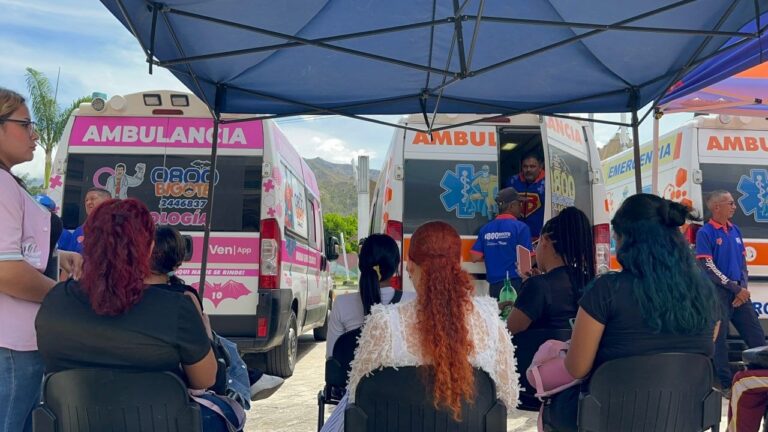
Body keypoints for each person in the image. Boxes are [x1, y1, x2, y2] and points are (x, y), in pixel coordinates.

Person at [35, 199, 238, 431]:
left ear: (87, 243)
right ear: (150, 249)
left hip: (75, 423)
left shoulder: (55, 300)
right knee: (229, 413)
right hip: (162, 423)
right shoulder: (176, 307)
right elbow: (206, 380)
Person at [321, 221, 519, 432]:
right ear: (459, 263)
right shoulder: (490, 320)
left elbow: (357, 398)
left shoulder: (385, 324)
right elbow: (508, 399)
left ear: (409, 266)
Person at [543, 194, 719, 432]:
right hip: (682, 422)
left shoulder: (605, 291)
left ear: (627, 239)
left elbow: (577, 368)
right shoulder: (706, 294)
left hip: (610, 421)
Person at [0, 87, 81, 432]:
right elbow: (7, 272)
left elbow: (16, 251)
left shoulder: (9, 183)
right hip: (11, 346)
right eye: (26, 125)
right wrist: (65, 298)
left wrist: (56, 256)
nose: (35, 135)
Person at [147, 225, 284, 403]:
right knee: (216, 340)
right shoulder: (184, 298)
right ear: (178, 260)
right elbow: (205, 379)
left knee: (220, 341)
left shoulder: (124, 297)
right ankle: (242, 383)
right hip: (186, 390)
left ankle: (247, 377)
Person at [696, 190, 765, 394]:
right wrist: (734, 288)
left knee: (756, 337)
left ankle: (760, 378)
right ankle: (725, 384)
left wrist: (742, 288)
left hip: (739, 294)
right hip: (718, 294)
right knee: (719, 341)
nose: (735, 206)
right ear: (717, 207)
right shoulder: (705, 233)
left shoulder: (735, 230)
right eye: (731, 203)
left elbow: (743, 262)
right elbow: (708, 266)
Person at [504, 207, 595, 335]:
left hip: (538, 354)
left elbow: (507, 333)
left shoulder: (538, 286)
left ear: (545, 240)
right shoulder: (589, 281)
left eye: (537, 244)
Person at [326, 234, 415, 358]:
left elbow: (332, 357)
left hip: (354, 377)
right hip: (405, 377)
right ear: (396, 267)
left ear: (361, 264)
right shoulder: (414, 302)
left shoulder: (341, 304)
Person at [471, 187, 532, 298]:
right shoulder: (521, 228)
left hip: (494, 287)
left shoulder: (485, 229)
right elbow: (526, 263)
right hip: (515, 285)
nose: (521, 207)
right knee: (513, 315)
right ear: (511, 206)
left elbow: (475, 257)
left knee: (497, 315)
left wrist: (494, 252)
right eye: (519, 204)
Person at [57, 187, 111, 253]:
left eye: (93, 199)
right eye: (86, 200)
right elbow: (70, 258)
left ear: (107, 202)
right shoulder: (79, 231)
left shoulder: (117, 229)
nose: (88, 202)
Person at [506, 153, 546, 238]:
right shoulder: (513, 181)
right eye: (525, 166)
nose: (528, 169)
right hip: (515, 235)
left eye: (532, 166)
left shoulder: (548, 183)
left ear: (540, 166)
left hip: (539, 237)